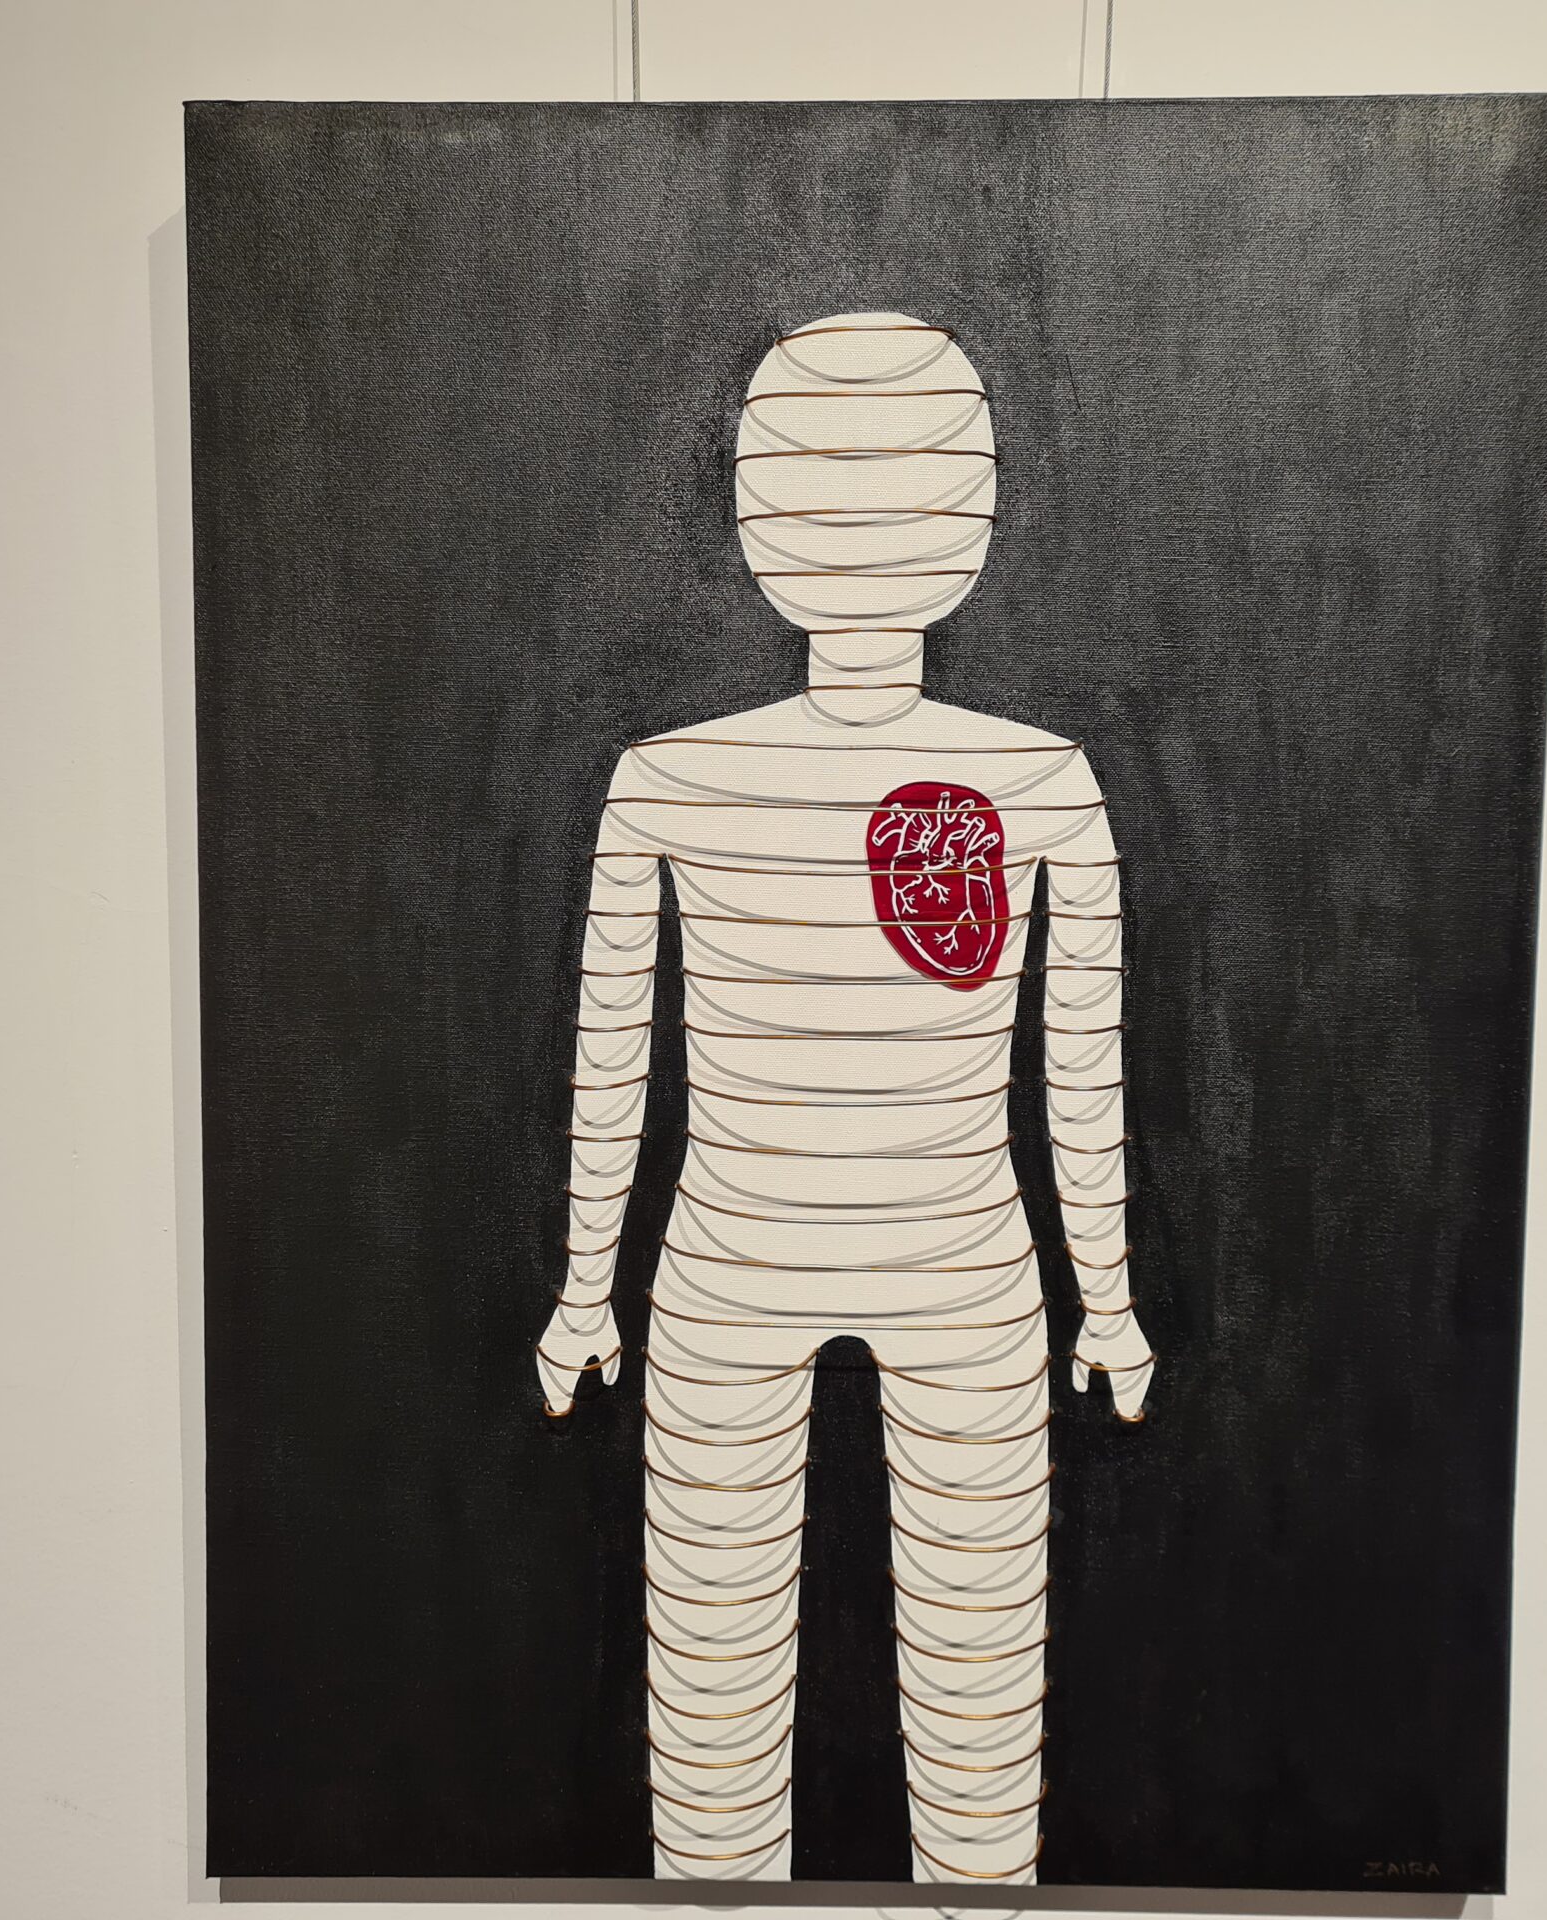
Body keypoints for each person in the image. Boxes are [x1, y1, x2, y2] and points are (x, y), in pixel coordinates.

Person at [534, 311, 1153, 1884]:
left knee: (757, 1729)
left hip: (789, 1267)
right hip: (923, 1268)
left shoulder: (681, 783)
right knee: (926, 1726)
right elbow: (1078, 1076)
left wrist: (588, 1285)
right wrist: (1107, 1299)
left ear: (759, 515)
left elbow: (618, 1060)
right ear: (976, 513)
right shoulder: (1030, 784)